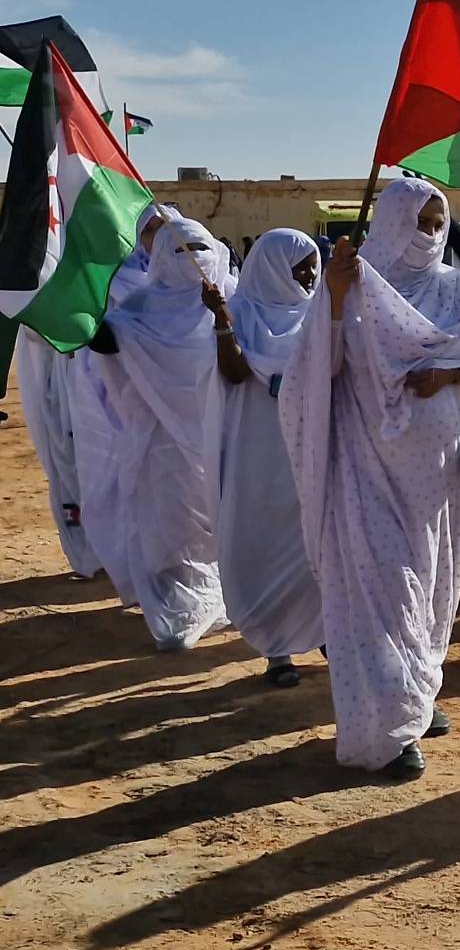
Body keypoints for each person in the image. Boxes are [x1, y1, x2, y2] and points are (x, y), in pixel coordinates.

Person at [283, 177, 460, 781]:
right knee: (382, 589)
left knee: (432, 586)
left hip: (442, 476)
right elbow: (311, 372)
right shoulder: (350, 289)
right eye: (420, 222)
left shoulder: (457, 290)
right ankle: (388, 729)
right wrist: (331, 298)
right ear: (390, 223)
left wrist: (448, 374)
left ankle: (417, 693)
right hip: (365, 467)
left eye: (438, 224)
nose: (429, 235)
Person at [78, 216, 231, 650]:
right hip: (160, 442)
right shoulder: (138, 310)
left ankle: (221, 594)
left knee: (221, 526)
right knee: (169, 527)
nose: (192, 260)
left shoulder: (233, 300)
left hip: (220, 443)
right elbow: (108, 346)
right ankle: (177, 605)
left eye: (199, 249)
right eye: (180, 251)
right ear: (159, 256)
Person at [201, 229, 324, 685]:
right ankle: (278, 649)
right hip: (260, 447)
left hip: (312, 445)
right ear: (272, 268)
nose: (310, 276)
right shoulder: (242, 313)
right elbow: (234, 374)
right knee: (267, 540)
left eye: (313, 265)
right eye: (300, 267)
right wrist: (220, 320)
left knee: (317, 539)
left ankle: (326, 632)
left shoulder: (320, 314)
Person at [16, 324, 101, 578]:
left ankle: (105, 551)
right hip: (58, 388)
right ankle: (88, 551)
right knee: (69, 468)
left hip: (90, 389)